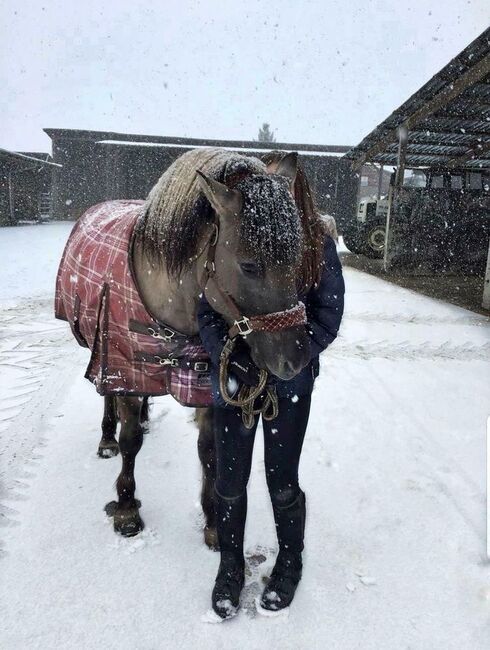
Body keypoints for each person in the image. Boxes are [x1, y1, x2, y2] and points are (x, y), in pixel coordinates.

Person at [197, 152, 345, 619]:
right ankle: (229, 566)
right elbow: (207, 308)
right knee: (229, 480)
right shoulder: (226, 237)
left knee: (282, 480)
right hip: (235, 380)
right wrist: (234, 356)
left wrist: (299, 354)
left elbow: (328, 311)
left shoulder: (311, 238)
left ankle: (291, 560)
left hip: (291, 377)